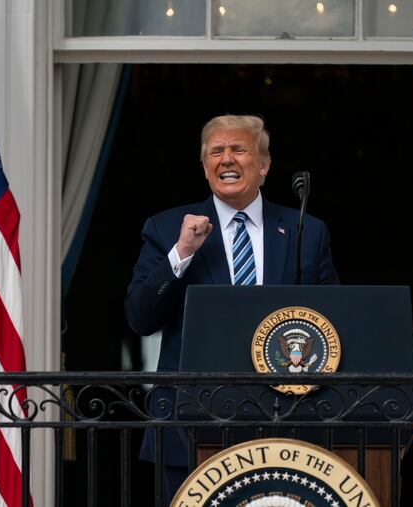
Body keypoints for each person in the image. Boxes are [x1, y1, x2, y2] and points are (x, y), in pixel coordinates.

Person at [124, 114, 340, 504]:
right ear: (205, 166)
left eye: (239, 149)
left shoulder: (306, 230)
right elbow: (140, 318)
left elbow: (335, 322)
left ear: (263, 165)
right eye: (216, 152)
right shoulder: (167, 227)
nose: (227, 159)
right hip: (188, 428)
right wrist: (181, 253)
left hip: (288, 426)